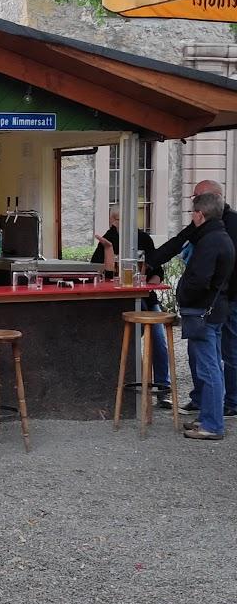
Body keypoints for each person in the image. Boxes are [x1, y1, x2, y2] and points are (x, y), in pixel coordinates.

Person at [146, 179, 237, 418]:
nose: (192, 201)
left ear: (211, 201)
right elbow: (178, 242)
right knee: (205, 358)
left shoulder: (221, 232)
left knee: (223, 357)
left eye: (197, 198)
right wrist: (150, 261)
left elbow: (203, 276)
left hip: (219, 301)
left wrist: (186, 297)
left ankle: (224, 410)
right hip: (212, 303)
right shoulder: (206, 228)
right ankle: (205, 405)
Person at [167, 192, 235, 440]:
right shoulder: (221, 236)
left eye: (192, 213)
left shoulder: (211, 240)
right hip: (213, 311)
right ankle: (208, 418)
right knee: (212, 366)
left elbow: (199, 279)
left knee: (208, 370)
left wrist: (185, 295)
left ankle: (212, 424)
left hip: (203, 312)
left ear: (199, 214)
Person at [92, 209, 170, 400]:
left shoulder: (143, 238)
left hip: (147, 299)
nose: (124, 223)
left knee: (159, 340)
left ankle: (163, 388)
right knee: (134, 338)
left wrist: (150, 284)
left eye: (128, 218)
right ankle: (136, 383)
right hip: (122, 302)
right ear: (112, 220)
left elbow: (158, 269)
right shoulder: (107, 241)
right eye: (119, 219)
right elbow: (96, 271)